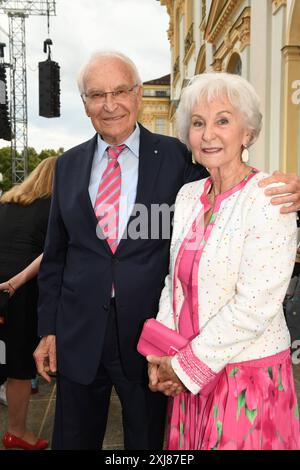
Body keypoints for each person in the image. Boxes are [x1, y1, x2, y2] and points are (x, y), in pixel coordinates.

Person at [33, 50, 300, 451]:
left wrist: (291, 187)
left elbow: (232, 175)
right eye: (97, 94)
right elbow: (56, 255)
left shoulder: (177, 159)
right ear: (84, 102)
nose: (110, 105)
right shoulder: (67, 166)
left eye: (121, 91)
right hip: (81, 336)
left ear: (138, 94)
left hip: (153, 343)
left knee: (150, 444)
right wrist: (47, 329)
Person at [146, 73, 300, 450]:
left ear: (247, 132)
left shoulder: (268, 197)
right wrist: (163, 355)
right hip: (190, 372)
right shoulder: (187, 196)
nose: (209, 133)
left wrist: (184, 368)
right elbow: (174, 280)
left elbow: (255, 305)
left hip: (246, 377)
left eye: (223, 120)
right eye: (198, 123)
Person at [0, 156, 57, 450]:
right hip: (19, 296)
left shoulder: (7, 203)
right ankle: (17, 432)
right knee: (19, 370)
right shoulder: (52, 208)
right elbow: (50, 253)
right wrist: (17, 281)